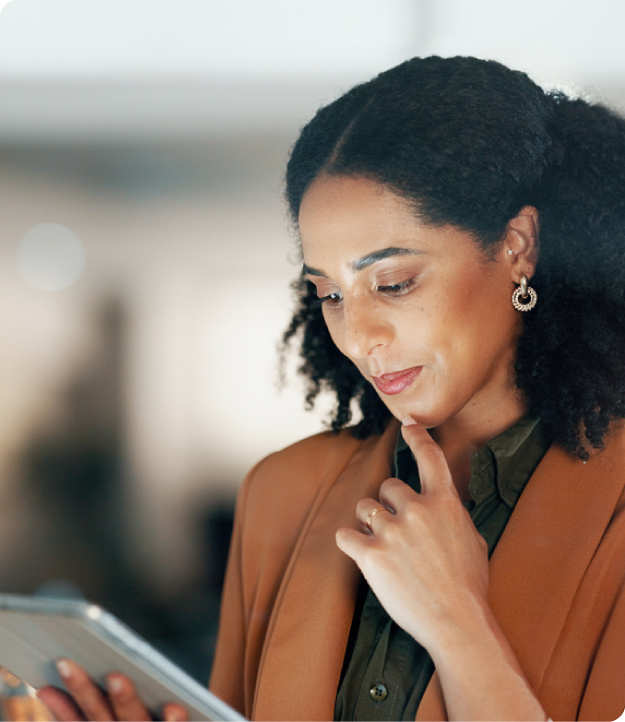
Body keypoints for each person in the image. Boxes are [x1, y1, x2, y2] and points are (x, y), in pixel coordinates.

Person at [39, 56, 625, 722]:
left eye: (393, 282)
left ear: (517, 245)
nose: (358, 335)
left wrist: (459, 625)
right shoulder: (282, 495)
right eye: (328, 293)